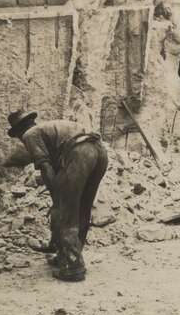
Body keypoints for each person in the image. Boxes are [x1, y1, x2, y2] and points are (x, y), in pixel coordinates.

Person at [6, 110, 107, 282]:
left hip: (80, 153)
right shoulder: (48, 130)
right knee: (82, 207)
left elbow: (46, 169)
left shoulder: (30, 135)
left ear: (18, 131)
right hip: (100, 152)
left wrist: (58, 199)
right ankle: (67, 256)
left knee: (65, 211)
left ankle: (72, 267)